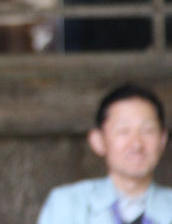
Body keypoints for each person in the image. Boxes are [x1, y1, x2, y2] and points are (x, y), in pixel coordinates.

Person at [38, 83, 172, 224]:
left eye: (147, 130)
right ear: (98, 140)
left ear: (162, 140)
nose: (136, 144)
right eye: (123, 131)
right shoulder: (67, 204)